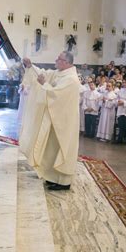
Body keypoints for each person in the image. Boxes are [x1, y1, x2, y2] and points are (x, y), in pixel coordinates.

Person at [19, 51, 80, 191]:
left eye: (59, 58)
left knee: (60, 148)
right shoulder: (60, 73)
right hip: (55, 119)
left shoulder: (71, 79)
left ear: (67, 62)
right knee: (51, 148)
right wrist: (30, 66)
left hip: (64, 123)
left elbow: (56, 95)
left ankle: (63, 182)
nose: (56, 60)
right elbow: (43, 73)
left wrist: (44, 84)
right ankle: (53, 178)